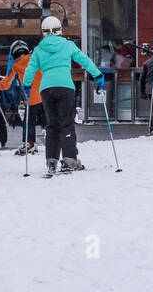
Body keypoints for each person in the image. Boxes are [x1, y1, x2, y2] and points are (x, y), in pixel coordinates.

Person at [22, 17, 104, 174]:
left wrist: (27, 85)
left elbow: (30, 69)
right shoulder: (68, 45)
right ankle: (69, 159)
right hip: (66, 87)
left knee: (52, 124)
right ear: (59, 29)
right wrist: (97, 74)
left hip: (46, 89)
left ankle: (51, 160)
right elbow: (83, 60)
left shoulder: (39, 49)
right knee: (67, 123)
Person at [0, 40, 43, 155]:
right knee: (49, 120)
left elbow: (8, 80)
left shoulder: (16, 64)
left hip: (31, 97)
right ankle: (55, 142)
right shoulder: (36, 58)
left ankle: (28, 143)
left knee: (29, 121)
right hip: (45, 93)